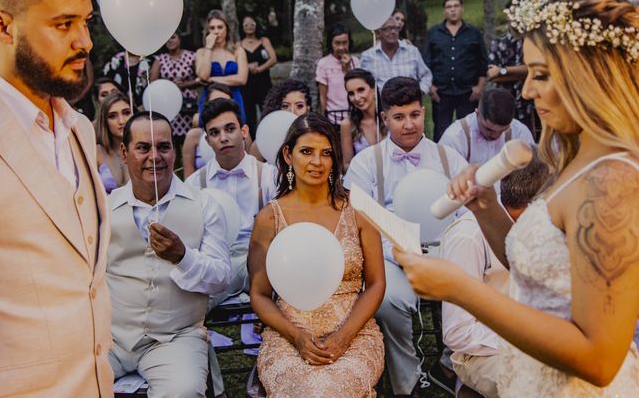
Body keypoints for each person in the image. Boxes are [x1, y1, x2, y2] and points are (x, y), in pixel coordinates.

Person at [395, 0, 639, 396]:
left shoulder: (610, 181)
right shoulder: (574, 154)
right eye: (528, 74)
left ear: (589, 71)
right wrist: (486, 207)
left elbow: (599, 358)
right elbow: (548, 270)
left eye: (541, 75)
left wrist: (462, 290)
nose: (526, 91)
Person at [0, 0, 113, 396]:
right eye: (63, 25)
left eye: (86, 22)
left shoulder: (81, 131)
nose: (85, 42)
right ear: (4, 26)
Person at [344, 77, 467, 397]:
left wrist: (449, 250)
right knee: (389, 299)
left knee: (473, 286)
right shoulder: (366, 162)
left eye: (414, 114)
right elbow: (358, 221)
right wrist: (398, 251)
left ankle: (453, 365)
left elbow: (468, 214)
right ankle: (408, 381)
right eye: (399, 117)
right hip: (390, 256)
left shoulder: (448, 158)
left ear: (423, 112)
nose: (409, 124)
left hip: (446, 251)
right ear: (384, 118)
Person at [249, 112, 386, 397]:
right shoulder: (269, 218)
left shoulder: (359, 209)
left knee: (332, 390)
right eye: (307, 151)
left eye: (326, 153)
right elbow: (260, 294)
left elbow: (376, 284)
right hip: (289, 335)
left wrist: (343, 337)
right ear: (288, 154)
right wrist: (296, 336)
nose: (317, 162)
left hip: (354, 332)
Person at [108, 112, 231, 398]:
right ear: (125, 153)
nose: (155, 156)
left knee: (183, 392)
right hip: (110, 338)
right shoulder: (104, 207)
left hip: (175, 339)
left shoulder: (204, 205)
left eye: (163, 147)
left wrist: (183, 257)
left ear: (174, 151)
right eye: (143, 148)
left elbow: (221, 277)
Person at [441, 151, 549, 398]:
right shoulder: (467, 237)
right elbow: (457, 333)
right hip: (483, 353)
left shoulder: (544, 228)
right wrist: (525, 340)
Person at [186, 98, 278, 308]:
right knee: (192, 307)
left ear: (244, 131)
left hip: (259, 258)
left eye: (230, 129)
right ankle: (206, 339)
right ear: (207, 140)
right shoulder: (195, 184)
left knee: (285, 297)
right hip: (215, 261)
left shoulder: (268, 176)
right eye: (215, 133)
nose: (224, 138)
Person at [424, 0, 488, 142]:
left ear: (461, 9)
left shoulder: (474, 33)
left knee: (469, 131)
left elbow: (482, 60)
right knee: (441, 130)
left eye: (456, 6)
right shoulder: (433, 33)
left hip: (468, 92)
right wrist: (431, 87)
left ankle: (468, 161)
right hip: (441, 92)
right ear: (444, 11)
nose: (453, 9)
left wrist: (479, 86)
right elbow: (426, 62)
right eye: (449, 7)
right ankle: (440, 161)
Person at [487, 0, 541, 140]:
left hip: (529, 103)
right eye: (513, 13)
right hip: (505, 101)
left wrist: (503, 70)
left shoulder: (533, 41)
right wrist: (521, 72)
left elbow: (533, 70)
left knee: (533, 140)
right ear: (508, 15)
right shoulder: (498, 43)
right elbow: (492, 75)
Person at [439, 88, 534, 164]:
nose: (495, 136)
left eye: (502, 131)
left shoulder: (520, 133)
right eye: (489, 129)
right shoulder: (454, 138)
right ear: (477, 113)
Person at [196, 9, 248, 123]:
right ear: (207, 30)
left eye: (220, 27)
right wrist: (208, 47)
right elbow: (204, 76)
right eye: (212, 28)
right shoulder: (201, 52)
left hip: (234, 98)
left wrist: (214, 79)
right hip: (209, 99)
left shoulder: (238, 51)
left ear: (227, 28)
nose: (216, 31)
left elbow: (242, 79)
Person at [361, 16, 432, 94]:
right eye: (388, 29)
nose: (393, 32)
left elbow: (426, 76)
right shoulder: (368, 56)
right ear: (378, 33)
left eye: (396, 28)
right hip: (383, 104)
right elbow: (363, 83)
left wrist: (419, 92)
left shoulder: (412, 51)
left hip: (410, 102)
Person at [150, 32, 198, 146]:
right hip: (168, 104)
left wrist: (185, 84)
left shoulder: (191, 56)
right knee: (171, 140)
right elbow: (152, 82)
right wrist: (169, 85)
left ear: (180, 39)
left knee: (189, 140)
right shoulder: (160, 59)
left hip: (188, 103)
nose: (170, 41)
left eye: (173, 37)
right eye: (167, 39)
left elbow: (200, 78)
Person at [249, 80, 312, 161]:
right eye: (285, 106)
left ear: (308, 109)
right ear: (277, 108)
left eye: (299, 106)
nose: (292, 111)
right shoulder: (264, 140)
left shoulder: (316, 137)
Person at [183, 83, 232, 178]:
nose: (220, 108)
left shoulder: (241, 136)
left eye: (226, 103)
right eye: (215, 102)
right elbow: (188, 179)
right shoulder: (193, 136)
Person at [340, 68, 386, 170]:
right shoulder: (347, 124)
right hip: (364, 182)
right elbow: (347, 164)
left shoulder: (390, 117)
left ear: (373, 89)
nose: (356, 98)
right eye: (351, 93)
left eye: (361, 90)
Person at [239, 14, 277, 137]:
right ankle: (252, 143)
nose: (249, 27)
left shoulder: (264, 40)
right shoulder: (238, 44)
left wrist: (260, 68)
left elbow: (273, 59)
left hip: (263, 82)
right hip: (247, 84)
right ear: (242, 27)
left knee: (267, 111)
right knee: (249, 116)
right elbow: (235, 62)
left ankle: (269, 137)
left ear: (256, 26)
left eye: (252, 24)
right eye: (246, 25)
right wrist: (247, 66)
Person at [315, 23, 360, 126]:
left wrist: (347, 68)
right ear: (331, 43)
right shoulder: (324, 63)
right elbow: (323, 96)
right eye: (337, 43)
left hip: (354, 115)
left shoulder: (355, 62)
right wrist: (324, 119)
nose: (341, 47)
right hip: (333, 117)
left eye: (344, 43)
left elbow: (357, 87)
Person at [94, 92, 132, 193]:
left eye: (126, 113)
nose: (121, 121)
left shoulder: (147, 149)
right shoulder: (96, 152)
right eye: (112, 116)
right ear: (104, 121)